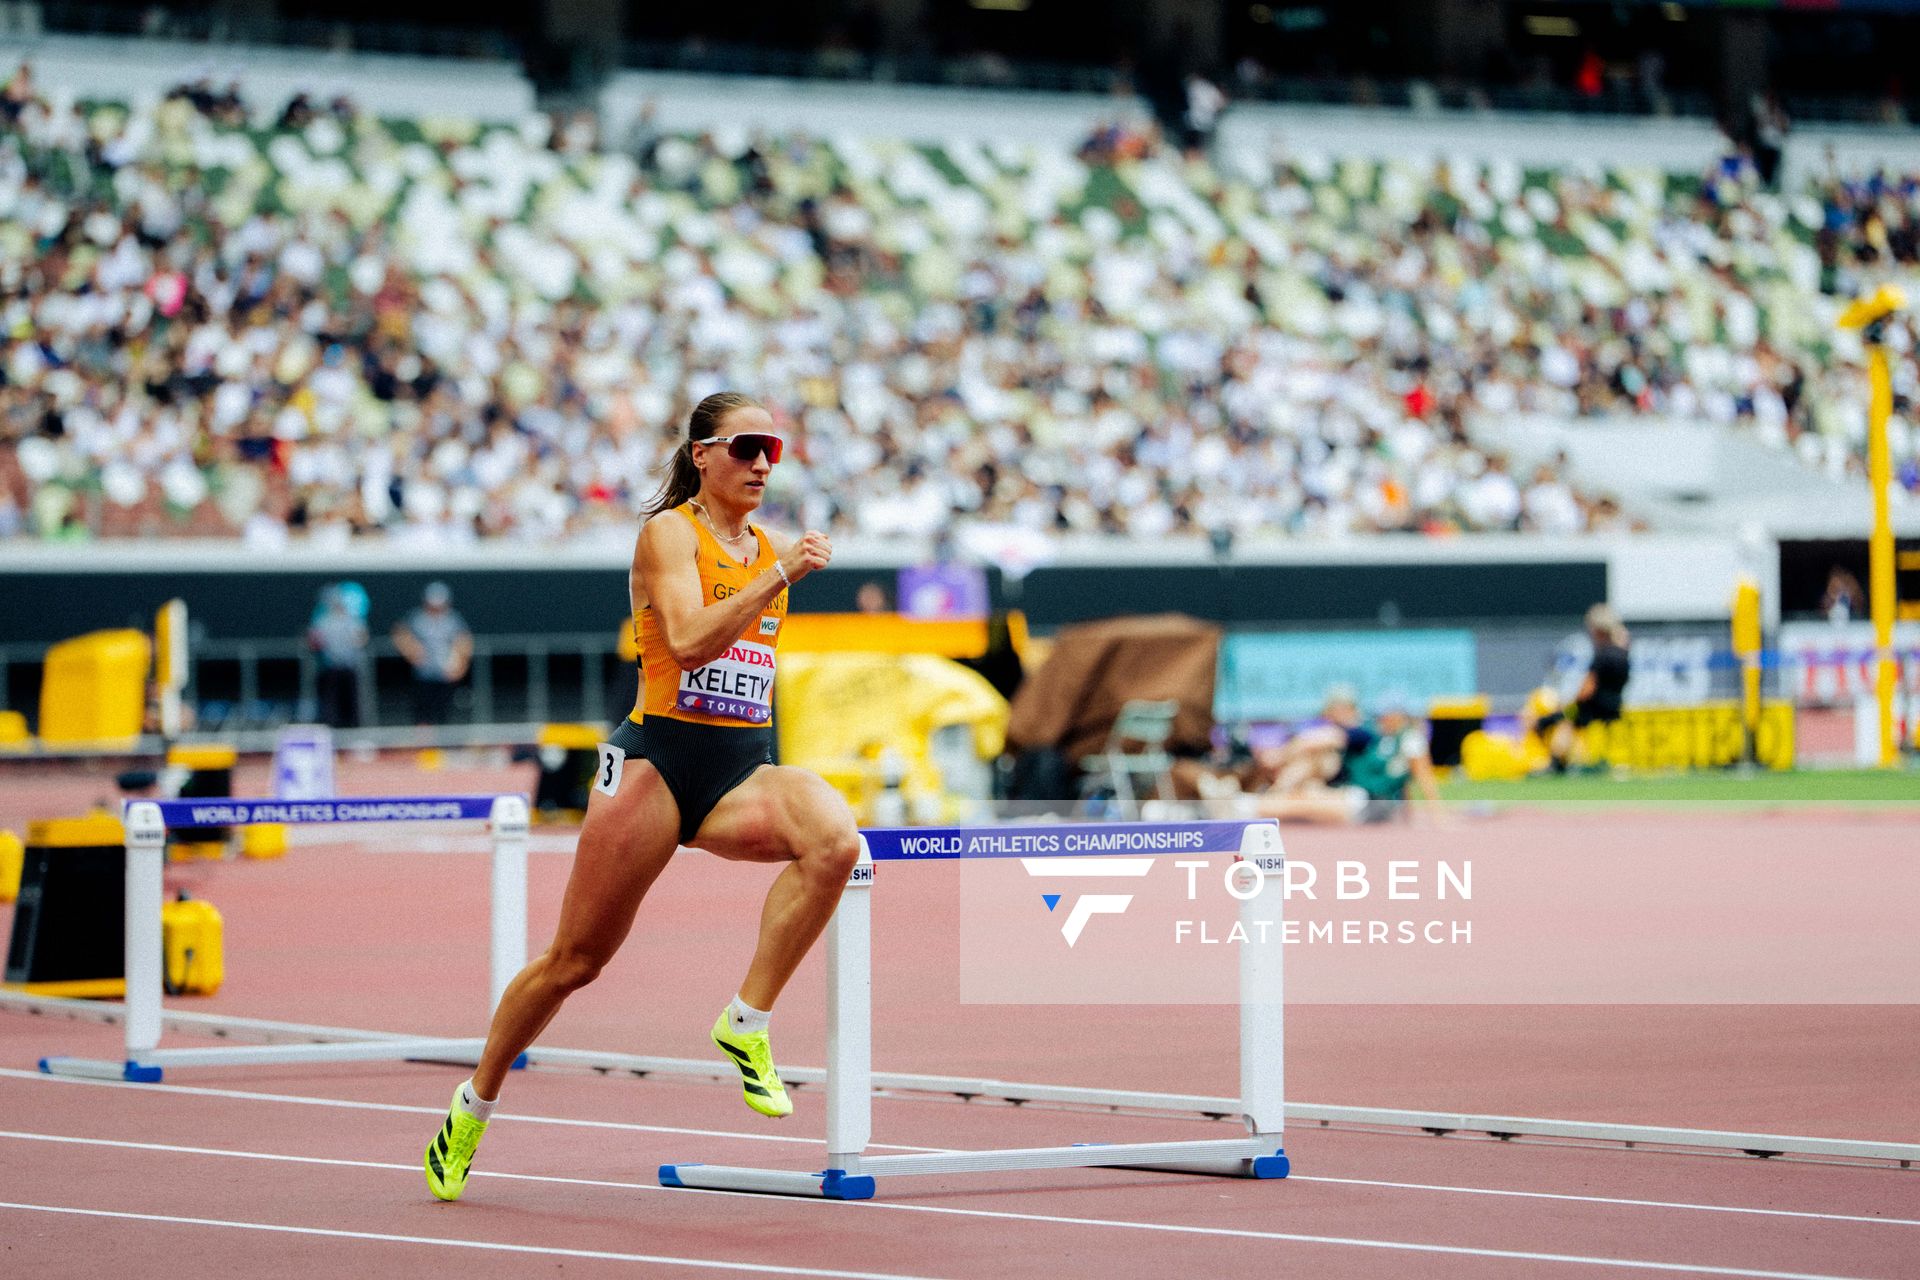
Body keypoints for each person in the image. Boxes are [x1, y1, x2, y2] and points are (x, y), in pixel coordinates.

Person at [423, 392, 855, 1203]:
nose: (764, 463)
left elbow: (744, 674)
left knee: (835, 841)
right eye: (747, 447)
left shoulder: (761, 547)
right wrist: (778, 575)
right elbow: (689, 643)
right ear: (703, 455)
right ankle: (473, 1104)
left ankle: (747, 1022)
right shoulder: (668, 534)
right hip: (656, 763)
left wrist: (770, 570)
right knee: (575, 963)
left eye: (775, 449)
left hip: (738, 769)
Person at [1240, 688, 1446, 826]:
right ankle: (1250, 805)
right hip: (1359, 798)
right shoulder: (1388, 741)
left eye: (1385, 714)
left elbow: (1422, 774)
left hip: (1368, 803)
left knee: (1306, 803)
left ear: (1397, 715)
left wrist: (1437, 814)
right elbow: (1402, 780)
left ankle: (1247, 808)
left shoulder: (1405, 738)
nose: (1381, 718)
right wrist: (1407, 815)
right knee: (1306, 797)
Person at [1536, 603, 1631, 771]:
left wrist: (1568, 704)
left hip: (1592, 708)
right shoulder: (1622, 654)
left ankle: (1556, 762)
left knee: (1565, 719)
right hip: (1615, 706)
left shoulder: (1602, 656)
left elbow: (1587, 689)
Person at [392, 581, 471, 726]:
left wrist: (460, 665)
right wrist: (411, 652)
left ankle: (443, 744)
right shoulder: (417, 618)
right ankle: (423, 745)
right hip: (423, 674)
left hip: (445, 674)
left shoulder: (453, 620)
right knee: (422, 713)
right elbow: (400, 633)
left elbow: (464, 641)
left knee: (443, 712)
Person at [306, 584, 367, 729]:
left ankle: (353, 731)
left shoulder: (351, 620)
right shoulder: (323, 622)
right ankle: (332, 731)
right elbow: (314, 642)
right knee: (331, 703)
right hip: (331, 668)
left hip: (349, 666)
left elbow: (362, 638)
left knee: (351, 703)